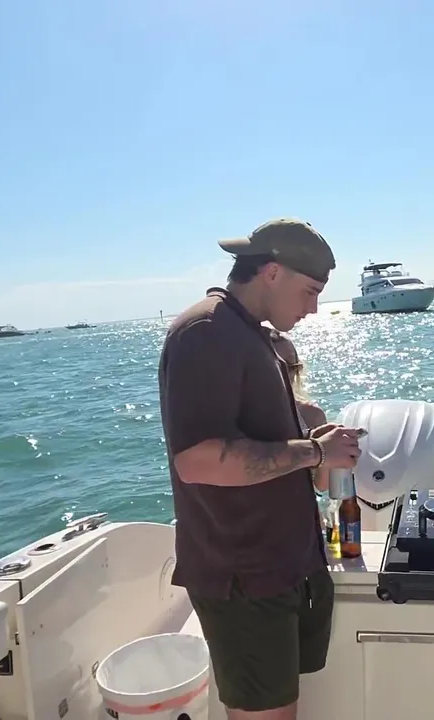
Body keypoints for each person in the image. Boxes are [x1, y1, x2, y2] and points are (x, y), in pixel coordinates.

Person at [158, 218, 364, 720]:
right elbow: (198, 460)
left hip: (283, 569)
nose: (313, 308)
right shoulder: (207, 331)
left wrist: (315, 439)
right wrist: (314, 452)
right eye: (310, 291)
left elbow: (260, 440)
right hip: (245, 581)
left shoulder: (253, 336)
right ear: (272, 272)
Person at [269, 328, 329, 493]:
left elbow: (322, 485)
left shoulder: (311, 415)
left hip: (299, 505)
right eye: (276, 365)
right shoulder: (240, 416)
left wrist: (324, 449)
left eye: (290, 366)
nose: (283, 373)